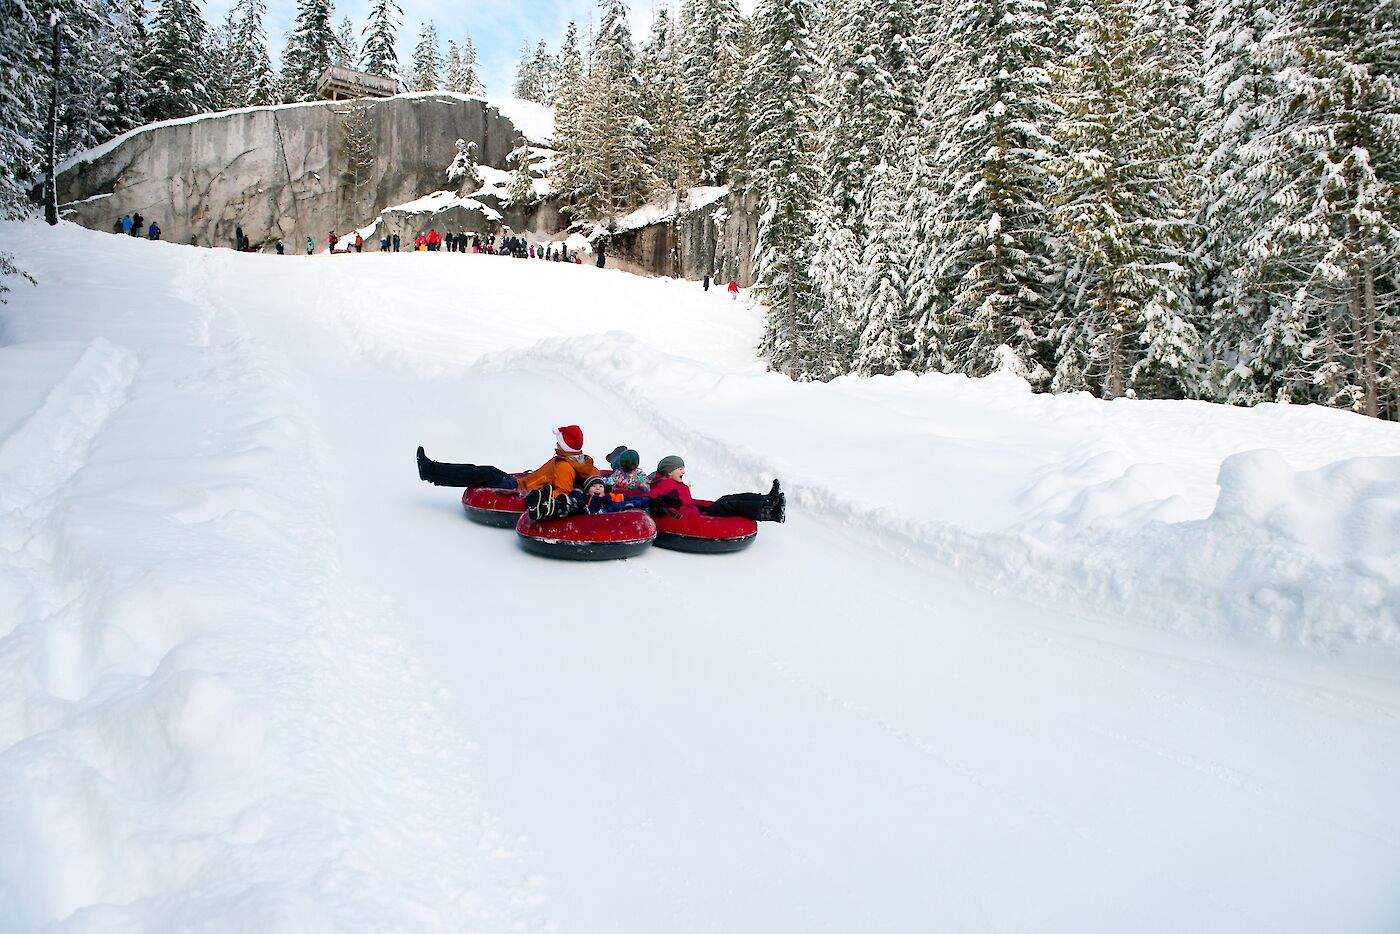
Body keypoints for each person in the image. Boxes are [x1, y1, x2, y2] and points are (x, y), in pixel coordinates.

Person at [417, 425, 600, 516]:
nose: (556, 444)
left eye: (559, 442)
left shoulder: (564, 466)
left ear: (566, 446)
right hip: (523, 482)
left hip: (518, 488)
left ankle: (431, 471)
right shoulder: (575, 460)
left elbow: (562, 490)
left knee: (482, 473)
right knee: (483, 471)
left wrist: (543, 497)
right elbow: (591, 472)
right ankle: (432, 469)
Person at [647, 455, 784, 522]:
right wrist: (656, 503)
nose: (684, 471)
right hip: (697, 517)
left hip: (697, 511)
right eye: (680, 469)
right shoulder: (665, 484)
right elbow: (651, 496)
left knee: (728, 499)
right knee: (729, 503)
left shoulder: (674, 482)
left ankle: (767, 498)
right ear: (669, 472)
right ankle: (771, 513)